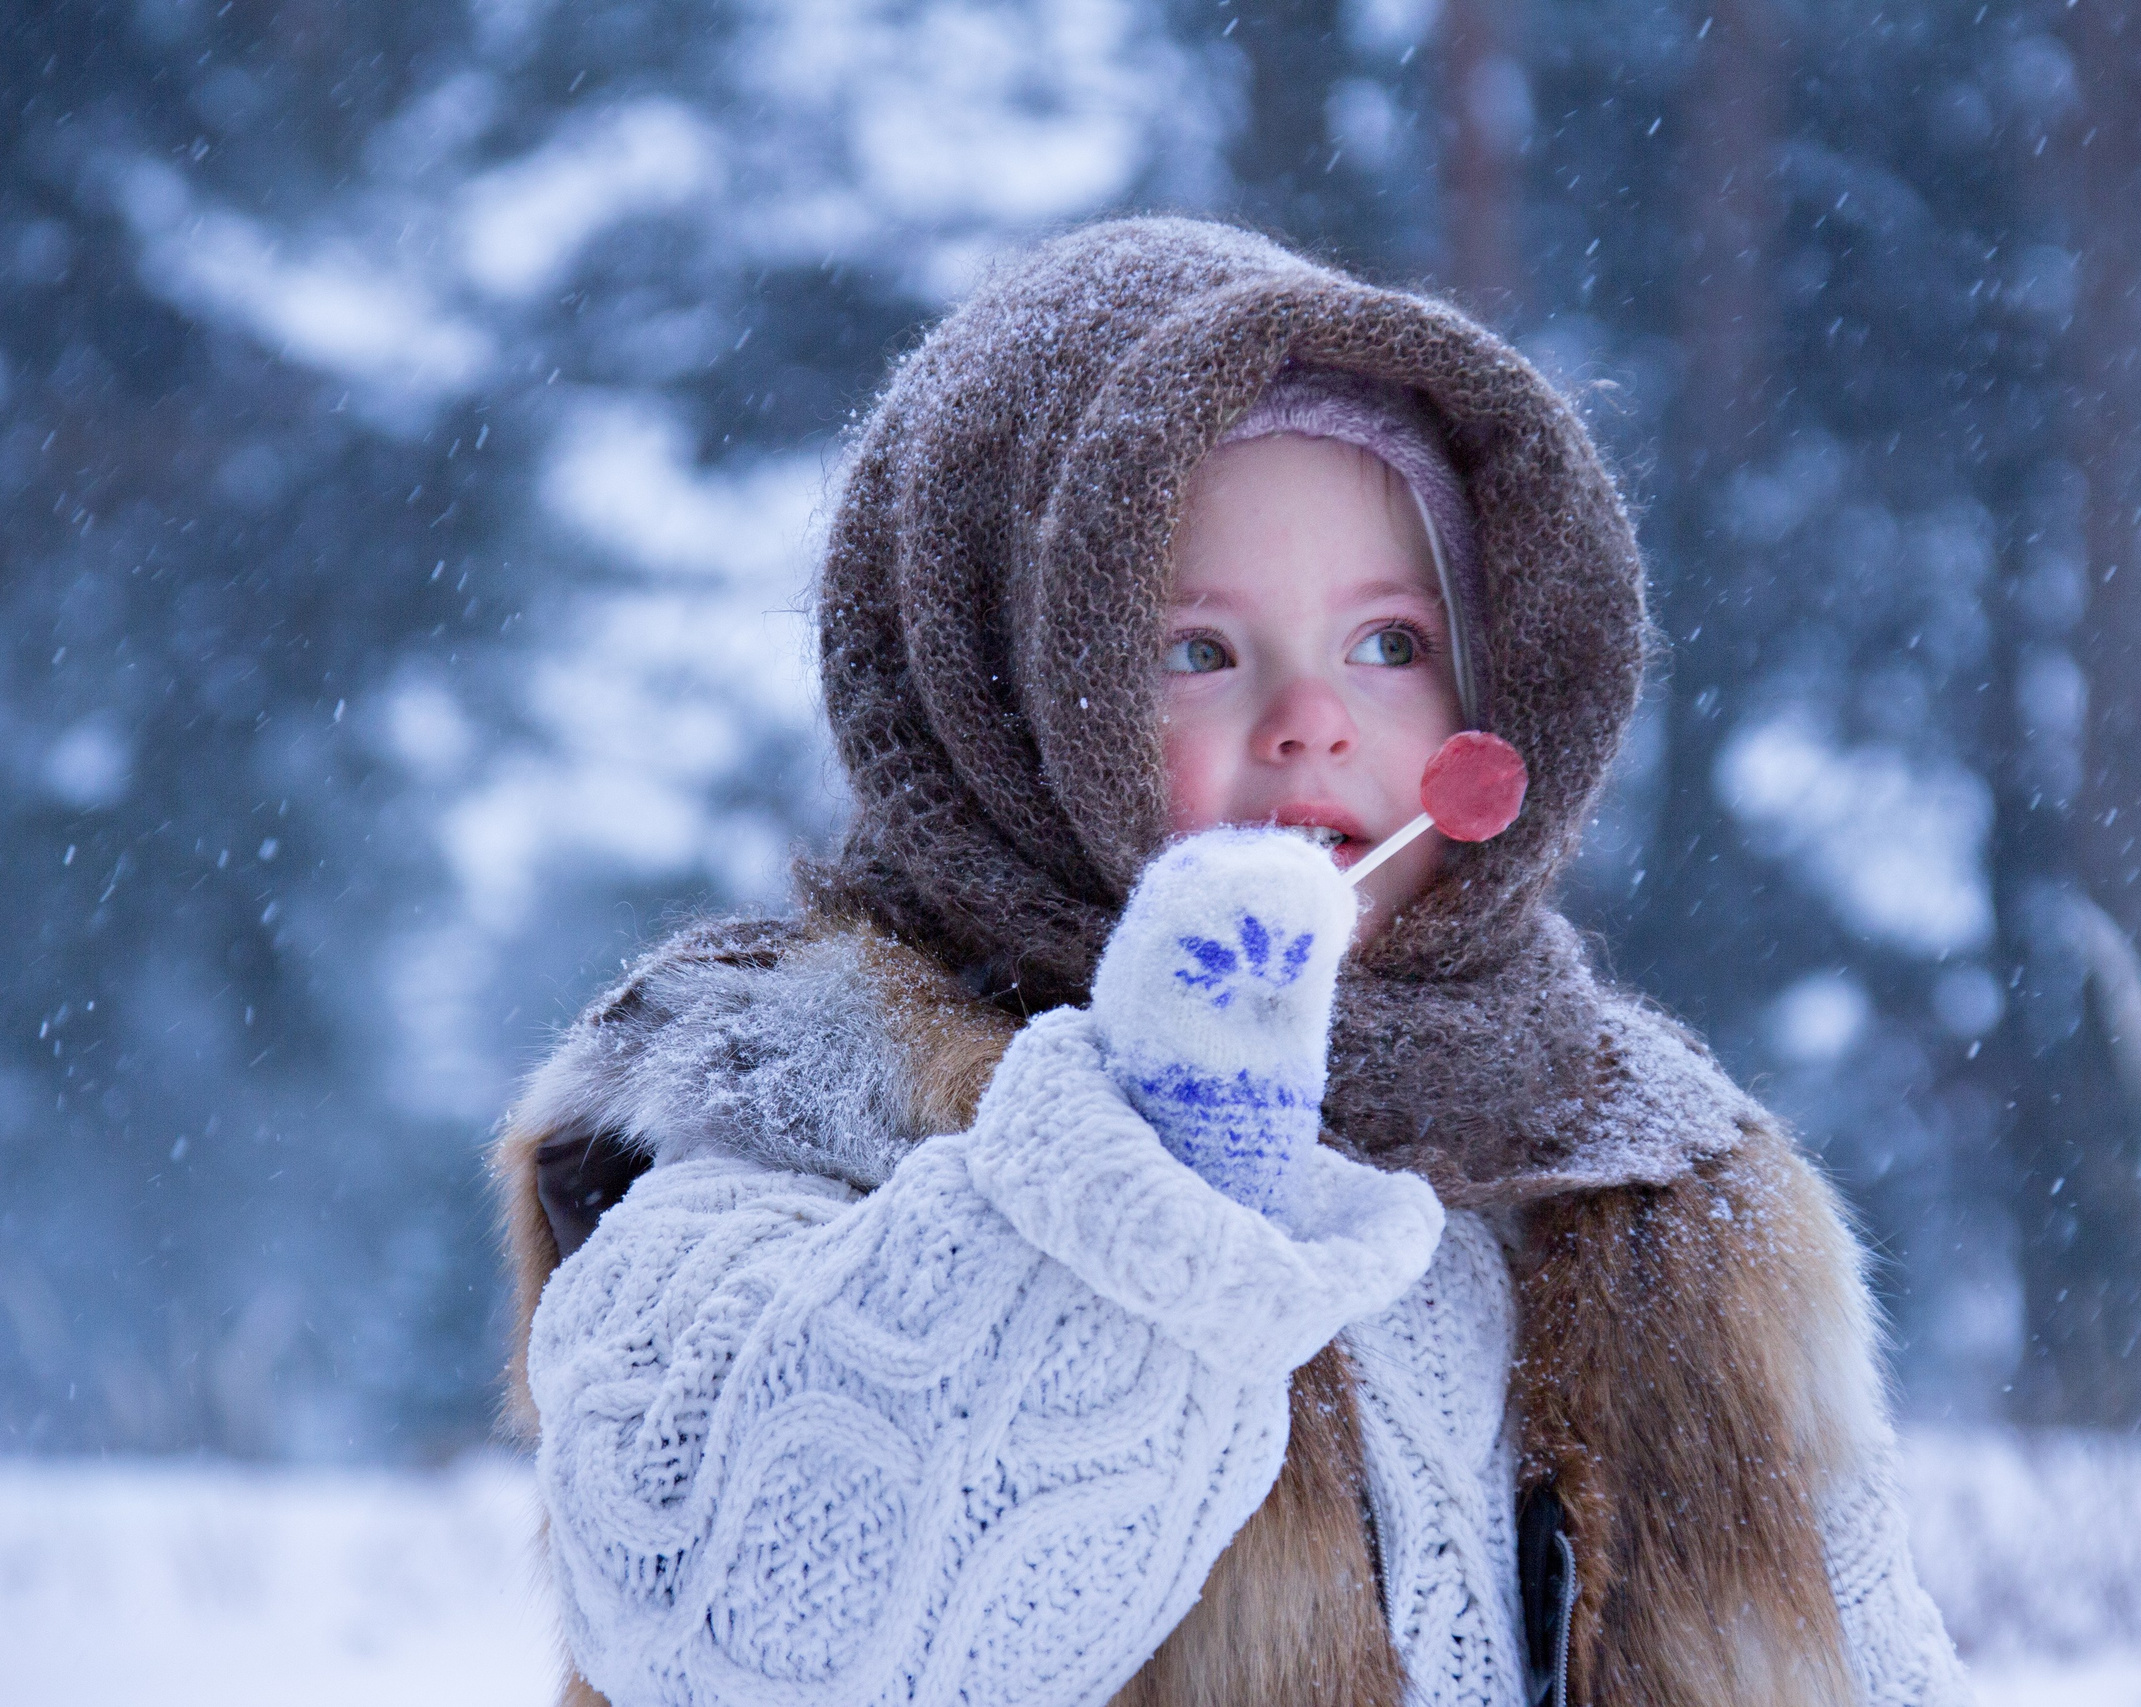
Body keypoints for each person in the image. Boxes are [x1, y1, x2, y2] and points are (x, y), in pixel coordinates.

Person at [493, 217, 1970, 1707]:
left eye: (1390, 645)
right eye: (1195, 651)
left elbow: (1866, 1658)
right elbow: (751, 1632)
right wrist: (1148, 1185)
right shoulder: (785, 1120)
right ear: (997, 693)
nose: (1312, 721)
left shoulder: (1651, 1189)